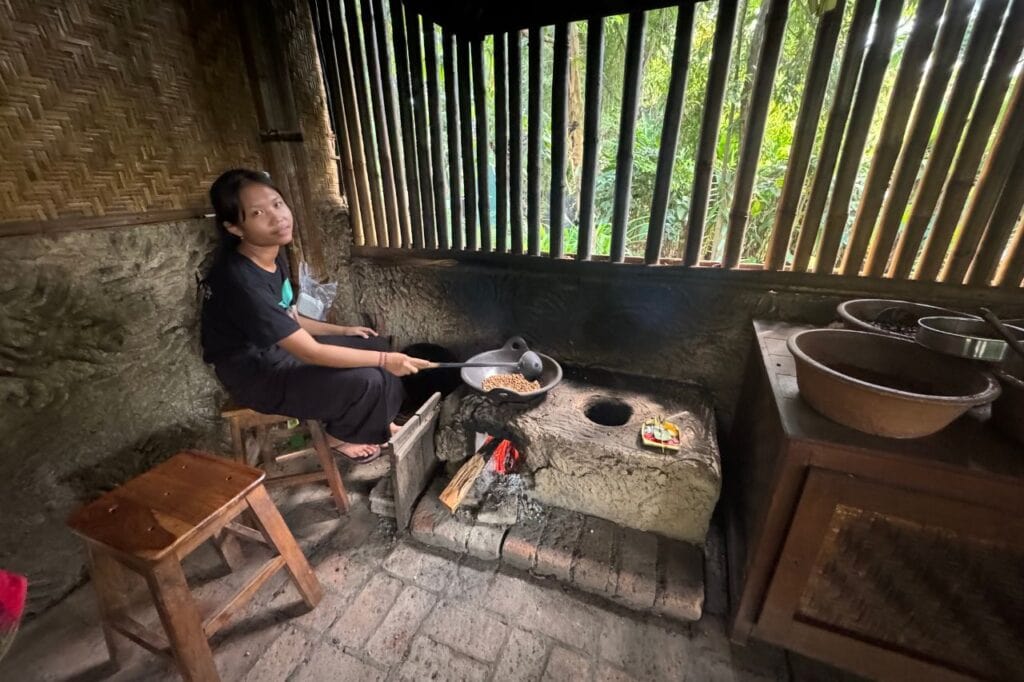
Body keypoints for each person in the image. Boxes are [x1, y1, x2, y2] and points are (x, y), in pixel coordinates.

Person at [199, 168, 430, 463]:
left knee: (375, 345)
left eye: (277, 203)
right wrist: (387, 362)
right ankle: (338, 438)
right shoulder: (239, 281)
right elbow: (309, 351)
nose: (277, 216)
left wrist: (344, 331)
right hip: (257, 376)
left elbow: (288, 316)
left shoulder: (271, 252)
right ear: (234, 228)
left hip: (280, 351)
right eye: (257, 213)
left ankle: (378, 424)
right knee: (369, 378)